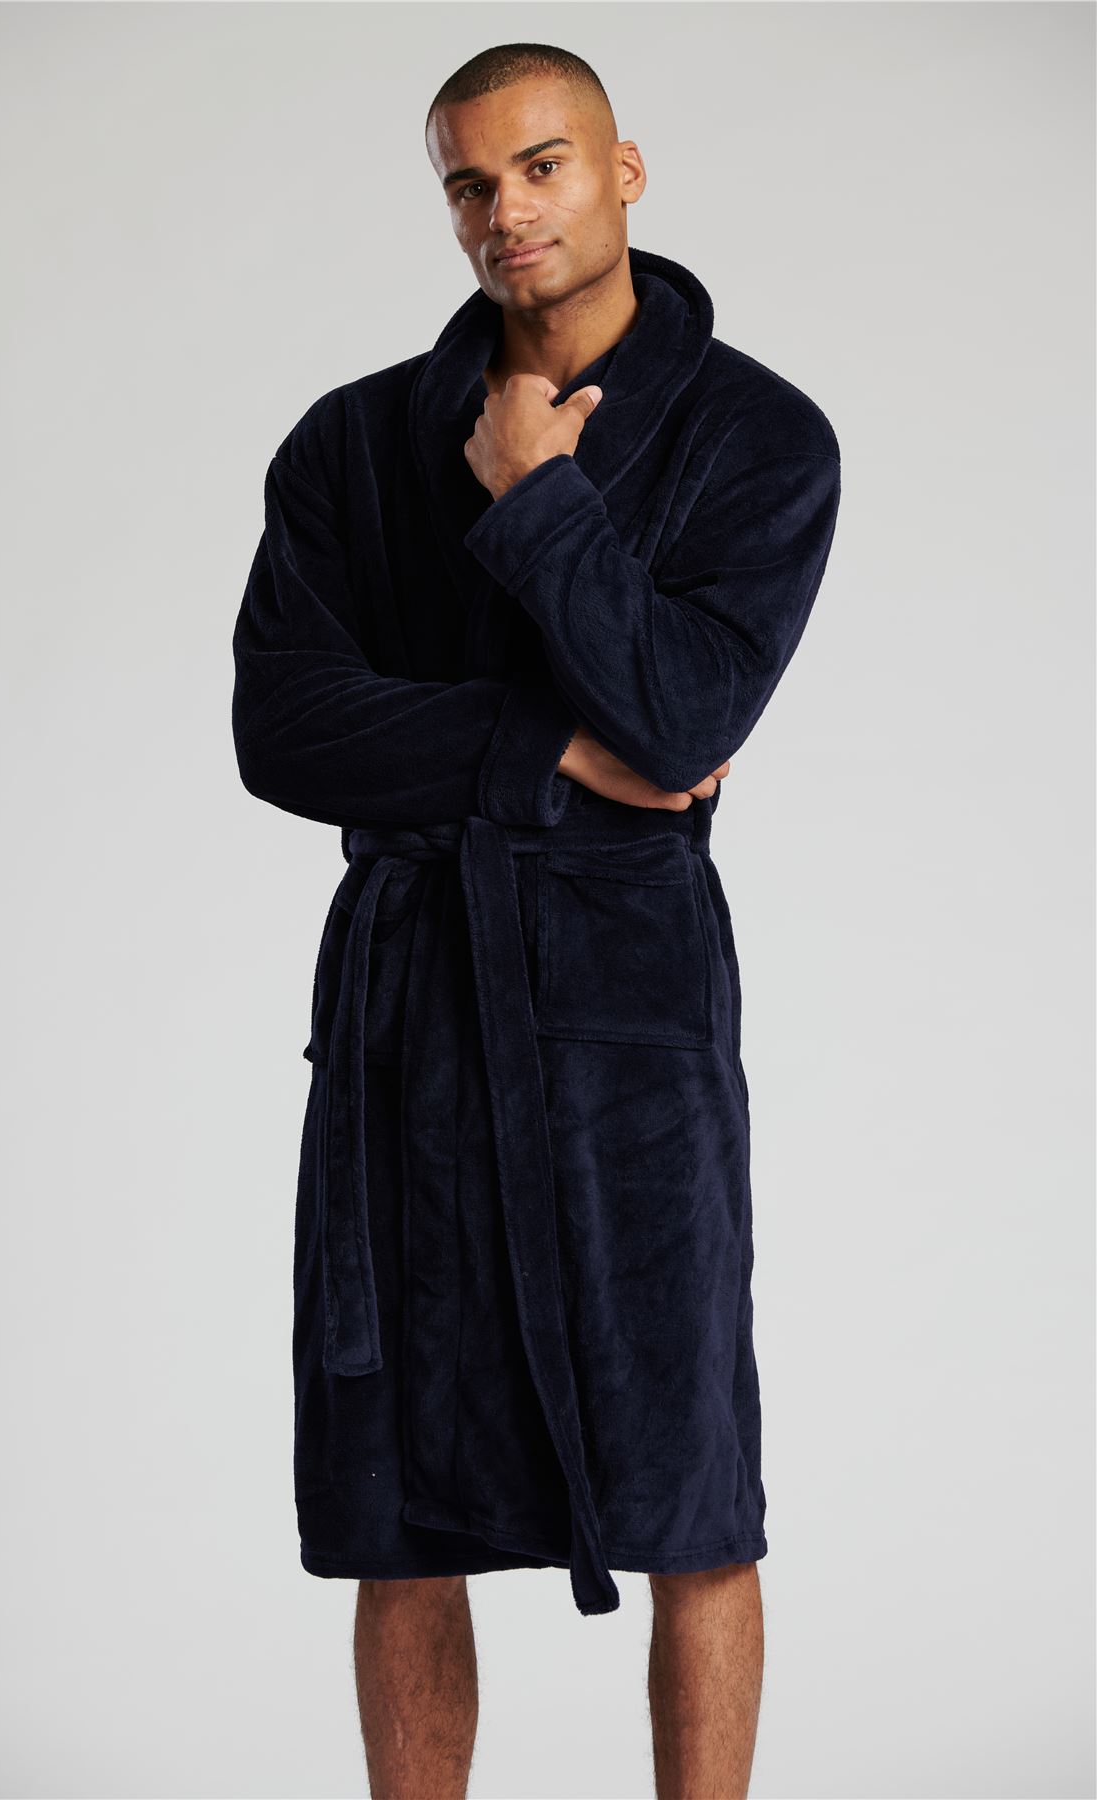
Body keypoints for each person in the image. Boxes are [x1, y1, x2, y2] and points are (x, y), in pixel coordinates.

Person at [232, 39, 841, 1800]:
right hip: (408, 1012)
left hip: (631, 1021)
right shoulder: (354, 444)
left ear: (624, 169)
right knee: (394, 1506)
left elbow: (688, 714)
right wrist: (543, 743)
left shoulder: (758, 440)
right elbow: (283, 726)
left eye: (544, 165)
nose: (507, 210)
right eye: (469, 182)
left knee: (693, 1486)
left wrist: (540, 496)